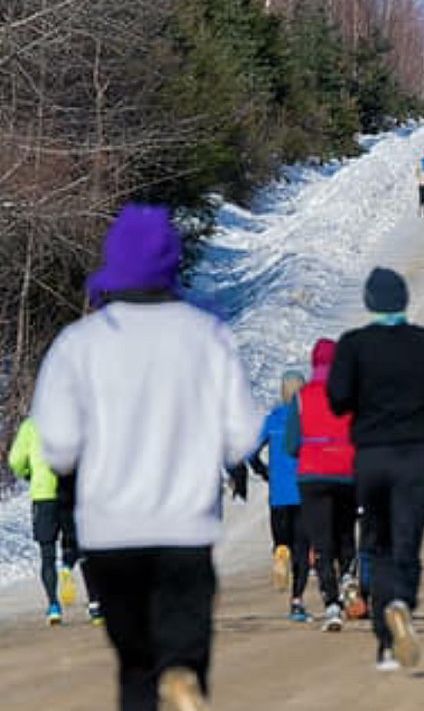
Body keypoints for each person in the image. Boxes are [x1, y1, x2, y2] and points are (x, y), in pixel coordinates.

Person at [31, 203, 260, 711]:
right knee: (182, 643)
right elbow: (244, 435)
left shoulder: (79, 344)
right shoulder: (206, 336)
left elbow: (58, 445)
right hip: (185, 527)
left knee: (135, 666)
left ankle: (154, 681)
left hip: (110, 530)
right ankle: (181, 670)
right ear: (173, 259)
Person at [328, 267, 424, 671]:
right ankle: (402, 602)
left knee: (377, 542)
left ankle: (386, 646)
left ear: (369, 302)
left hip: (371, 457)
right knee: (407, 540)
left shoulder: (354, 345)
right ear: (405, 299)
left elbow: (337, 400)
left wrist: (365, 400)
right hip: (414, 455)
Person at [286, 338, 360, 631]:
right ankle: (348, 575)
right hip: (346, 470)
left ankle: (332, 605)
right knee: (345, 531)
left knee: (321, 542)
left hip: (313, 474)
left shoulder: (302, 397)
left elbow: (291, 444)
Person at [8, 417, 101, 625]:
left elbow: (15, 460)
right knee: (82, 548)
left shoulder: (30, 426)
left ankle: (53, 606)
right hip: (69, 492)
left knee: (47, 554)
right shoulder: (71, 420)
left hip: (43, 496)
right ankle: (93, 603)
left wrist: (29, 474)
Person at [247, 370, 309, 618]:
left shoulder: (272, 419)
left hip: (278, 495)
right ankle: (297, 602)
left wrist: (263, 471)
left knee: (283, 541)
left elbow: (250, 452)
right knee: (302, 549)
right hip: (304, 492)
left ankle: (280, 553)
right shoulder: (308, 419)